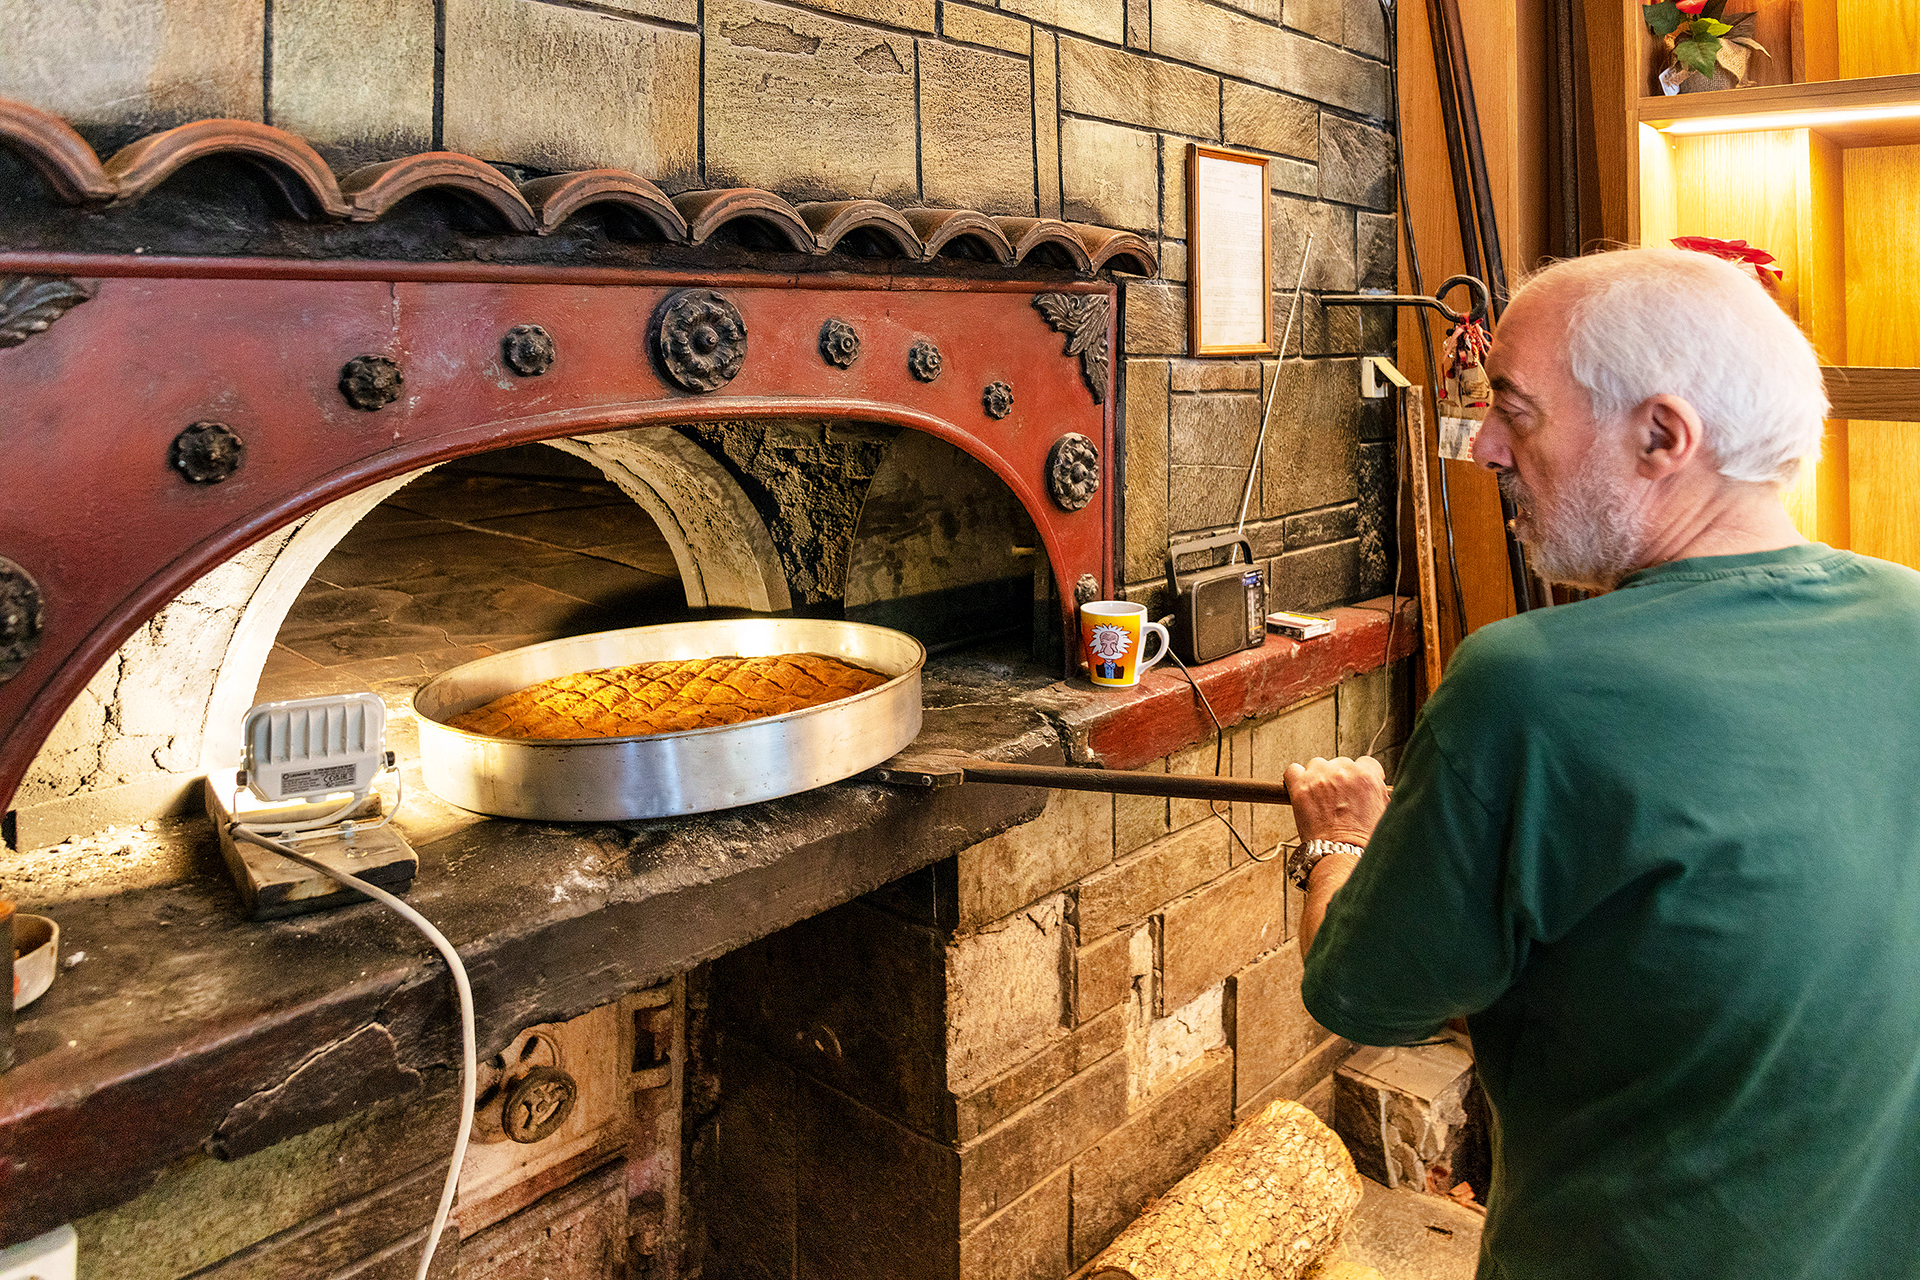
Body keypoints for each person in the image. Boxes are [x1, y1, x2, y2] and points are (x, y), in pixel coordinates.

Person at [1284, 247, 1920, 1279]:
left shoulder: (1528, 688)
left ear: (1662, 434)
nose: (1484, 445)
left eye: (1516, 410)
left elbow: (1363, 996)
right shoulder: (1912, 616)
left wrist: (1338, 838)